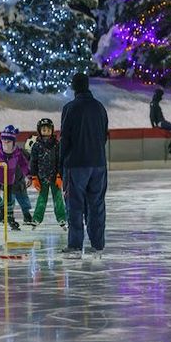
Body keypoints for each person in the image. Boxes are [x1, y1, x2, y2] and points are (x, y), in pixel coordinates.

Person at [60, 73, 109, 258]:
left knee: (75, 205)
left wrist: (62, 163)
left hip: (76, 164)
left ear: (74, 87)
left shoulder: (70, 108)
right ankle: (97, 245)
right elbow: (104, 135)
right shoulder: (100, 107)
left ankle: (74, 245)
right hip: (98, 164)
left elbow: (65, 138)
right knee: (96, 204)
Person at [26, 118, 67, 229]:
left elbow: (60, 161)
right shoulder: (36, 146)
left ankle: (62, 218)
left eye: (48, 130)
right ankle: (37, 218)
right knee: (42, 199)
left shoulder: (57, 145)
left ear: (52, 130)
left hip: (54, 177)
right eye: (44, 130)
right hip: (42, 178)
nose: (46, 132)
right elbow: (33, 162)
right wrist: (34, 177)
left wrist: (60, 175)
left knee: (58, 198)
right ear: (39, 131)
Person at [149, 88, 171, 159]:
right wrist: (153, 126)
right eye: (161, 96)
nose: (161, 98)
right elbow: (152, 116)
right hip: (161, 123)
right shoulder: (154, 103)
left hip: (161, 122)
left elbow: (152, 116)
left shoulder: (154, 103)